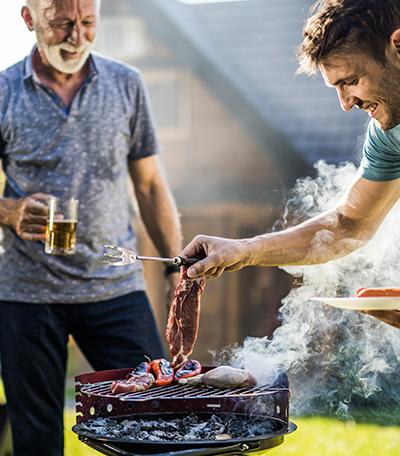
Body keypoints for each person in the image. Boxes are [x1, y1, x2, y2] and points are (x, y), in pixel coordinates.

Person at [0, 0, 182, 454]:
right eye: (61, 24)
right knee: (36, 438)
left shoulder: (127, 83)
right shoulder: (3, 91)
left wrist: (175, 267)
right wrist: (9, 211)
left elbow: (151, 185)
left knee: (159, 416)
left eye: (87, 23)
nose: (76, 37)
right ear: (29, 20)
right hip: (25, 295)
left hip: (115, 287)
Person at [180, 0, 400, 330]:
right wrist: (242, 250)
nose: (346, 104)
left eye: (351, 80)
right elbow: (348, 223)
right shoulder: (388, 133)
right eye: (336, 87)